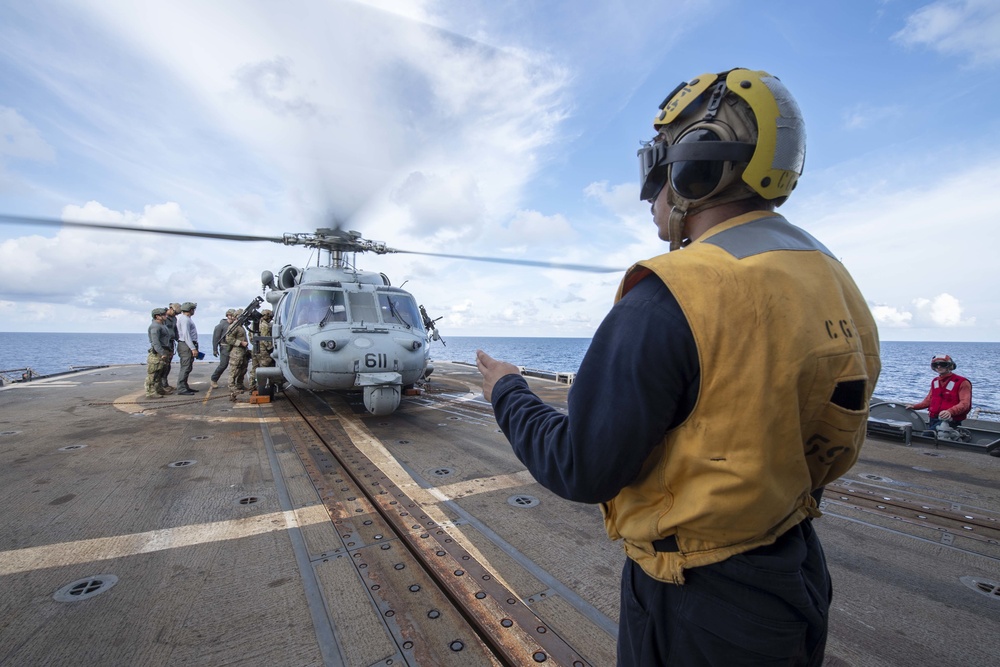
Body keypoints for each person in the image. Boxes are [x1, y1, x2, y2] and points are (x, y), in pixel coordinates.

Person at [476, 67, 881, 666]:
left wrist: (507, 390)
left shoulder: (672, 296)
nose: (649, 194)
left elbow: (581, 467)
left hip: (697, 601)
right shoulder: (832, 278)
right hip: (793, 574)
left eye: (656, 168)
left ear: (696, 165)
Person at [906, 355, 972, 430]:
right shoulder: (935, 381)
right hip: (933, 418)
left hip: (950, 420)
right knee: (929, 433)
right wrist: (915, 407)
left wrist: (950, 412)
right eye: (935, 365)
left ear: (949, 365)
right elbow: (929, 400)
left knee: (928, 435)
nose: (939, 367)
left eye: (942, 364)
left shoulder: (962, 382)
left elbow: (965, 404)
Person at [145, 308, 173, 399]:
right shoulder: (155, 326)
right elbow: (155, 342)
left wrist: (169, 351)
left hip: (164, 350)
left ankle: (159, 389)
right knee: (154, 374)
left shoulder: (162, 325)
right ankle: (150, 392)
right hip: (157, 353)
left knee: (160, 373)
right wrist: (162, 353)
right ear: (157, 316)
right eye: (163, 315)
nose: (166, 316)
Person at [175, 302, 200, 395]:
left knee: (188, 367)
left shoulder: (186, 319)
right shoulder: (185, 319)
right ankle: (181, 388)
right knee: (185, 367)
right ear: (190, 310)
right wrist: (193, 348)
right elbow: (186, 335)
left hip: (186, 345)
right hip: (186, 345)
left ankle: (185, 386)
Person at [226, 308, 251, 401]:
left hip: (243, 351)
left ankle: (240, 384)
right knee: (234, 370)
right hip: (236, 352)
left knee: (243, 368)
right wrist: (240, 343)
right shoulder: (234, 326)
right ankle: (232, 387)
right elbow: (228, 339)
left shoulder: (240, 326)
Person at [211, 309, 236, 388]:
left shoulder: (235, 325)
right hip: (224, 347)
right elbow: (216, 338)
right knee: (223, 365)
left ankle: (234, 382)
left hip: (234, 347)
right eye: (232, 315)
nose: (233, 317)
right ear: (228, 316)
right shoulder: (221, 326)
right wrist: (215, 349)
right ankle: (214, 379)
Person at [250, 309, 275, 390]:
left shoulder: (254, 324)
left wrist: (255, 344)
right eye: (270, 317)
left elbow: (251, 337)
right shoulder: (265, 325)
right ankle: (261, 387)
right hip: (263, 351)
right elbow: (265, 339)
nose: (270, 319)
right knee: (264, 368)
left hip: (255, 348)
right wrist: (270, 348)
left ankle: (252, 386)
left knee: (254, 368)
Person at [161, 302, 181, 392]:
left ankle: (165, 384)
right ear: (171, 309)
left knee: (168, 364)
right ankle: (161, 385)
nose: (175, 315)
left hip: (171, 343)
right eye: (175, 312)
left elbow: (175, 330)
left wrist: (179, 340)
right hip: (164, 344)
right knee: (162, 365)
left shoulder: (174, 319)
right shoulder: (162, 317)